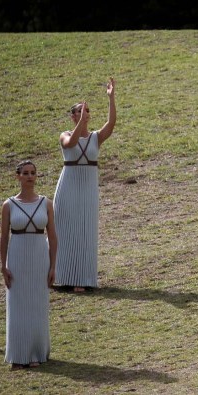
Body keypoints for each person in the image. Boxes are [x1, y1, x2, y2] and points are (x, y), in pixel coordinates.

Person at [54, 77, 116, 292]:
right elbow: (71, 144)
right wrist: (80, 123)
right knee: (64, 230)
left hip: (88, 189)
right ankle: (59, 275)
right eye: (80, 111)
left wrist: (111, 98)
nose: (85, 114)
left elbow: (111, 124)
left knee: (85, 231)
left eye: (87, 111)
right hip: (68, 186)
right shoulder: (65, 135)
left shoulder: (96, 138)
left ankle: (82, 278)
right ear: (73, 116)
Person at [0, 161, 57, 370]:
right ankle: (18, 353)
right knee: (18, 303)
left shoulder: (46, 203)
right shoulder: (9, 205)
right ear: (18, 177)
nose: (30, 176)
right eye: (25, 173)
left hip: (39, 257)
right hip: (17, 258)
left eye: (33, 173)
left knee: (37, 304)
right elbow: (4, 238)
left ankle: (36, 352)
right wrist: (3, 266)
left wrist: (52, 266)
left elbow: (52, 236)